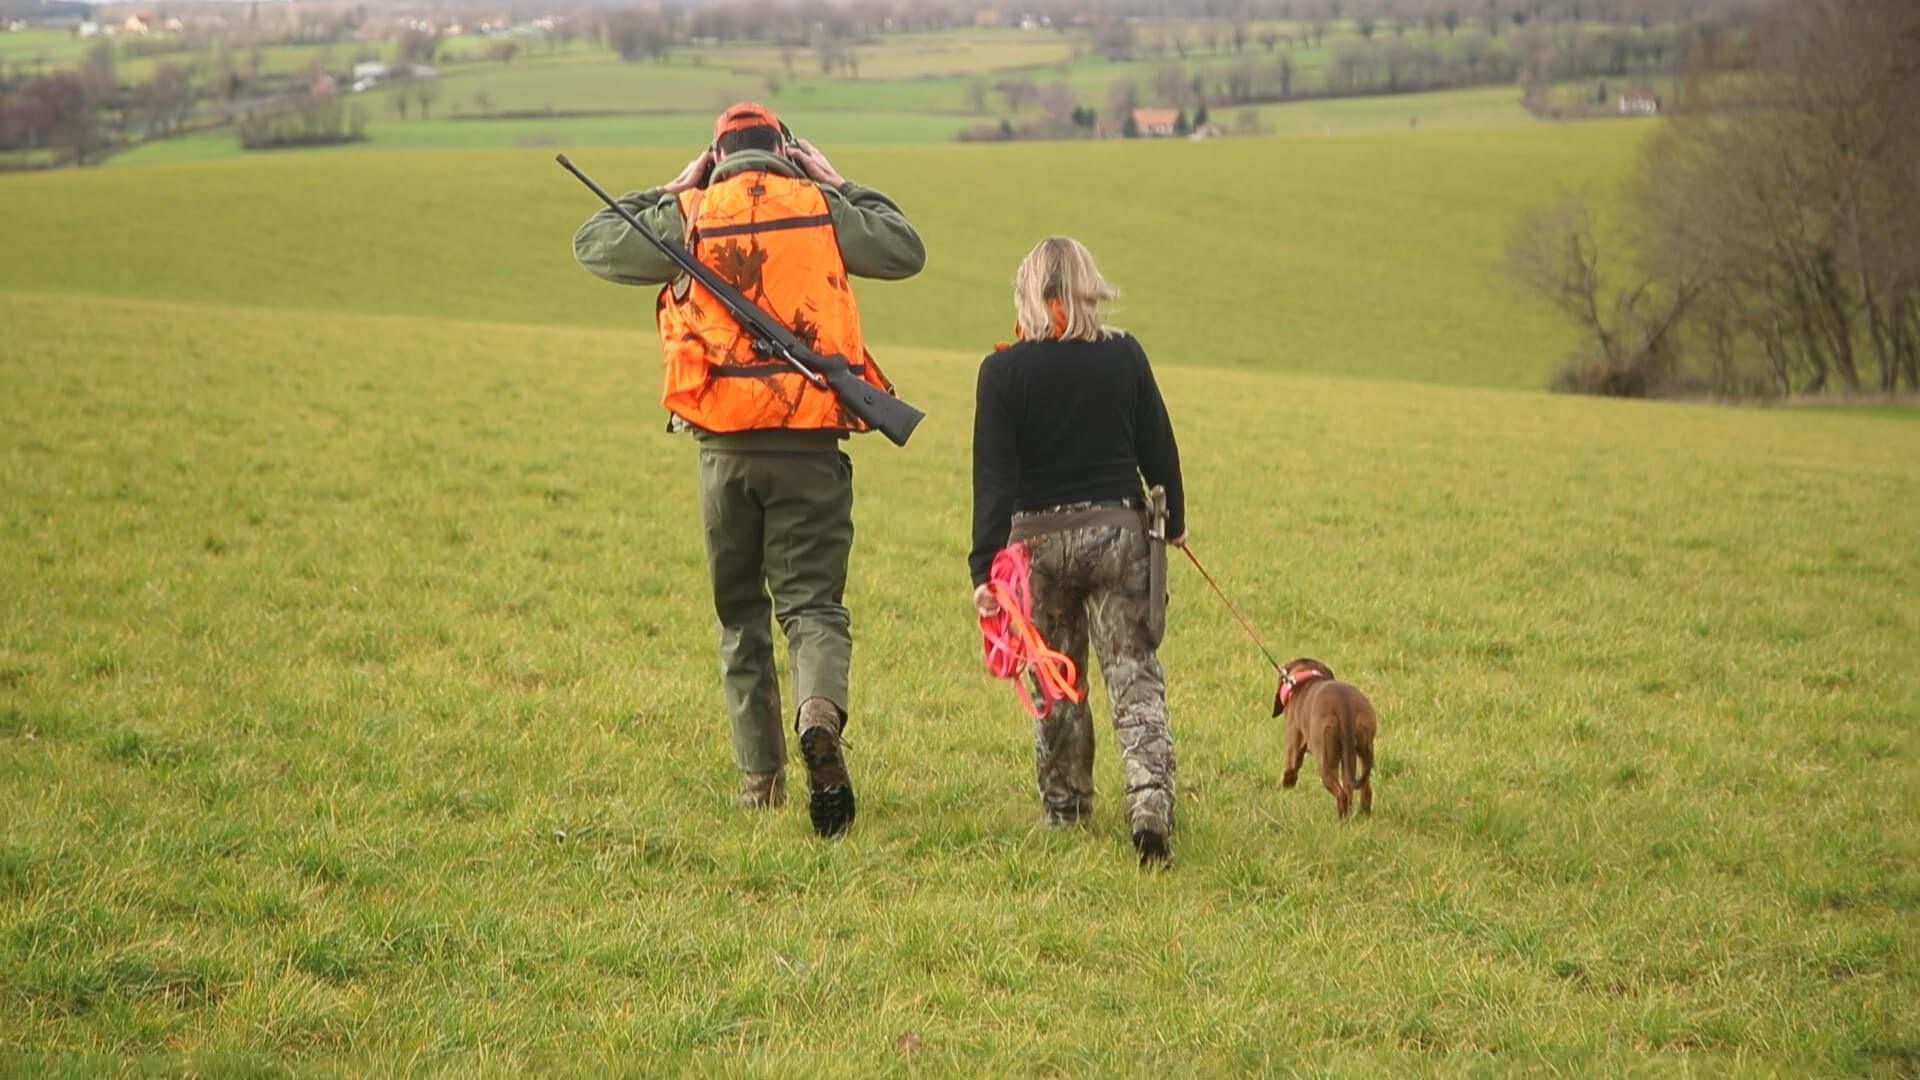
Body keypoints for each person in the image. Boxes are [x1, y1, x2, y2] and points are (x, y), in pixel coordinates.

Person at [572, 103, 926, 837]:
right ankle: (818, 715)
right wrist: (839, 181)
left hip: (724, 451)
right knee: (814, 608)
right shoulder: (821, 208)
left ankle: (758, 782)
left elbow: (594, 244)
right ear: (787, 155)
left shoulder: (690, 214)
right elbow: (904, 248)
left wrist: (673, 190)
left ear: (716, 157)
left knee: (741, 616)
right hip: (809, 446)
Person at [969, 236, 1186, 864]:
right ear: (1088, 288)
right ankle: (1149, 801)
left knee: (1054, 678)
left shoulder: (1002, 372)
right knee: (1133, 672)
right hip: (1119, 534)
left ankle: (1064, 809)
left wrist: (985, 566)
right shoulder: (1125, 356)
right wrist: (1175, 525)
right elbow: (1158, 450)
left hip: (1038, 547)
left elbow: (995, 481)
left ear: (1031, 295)